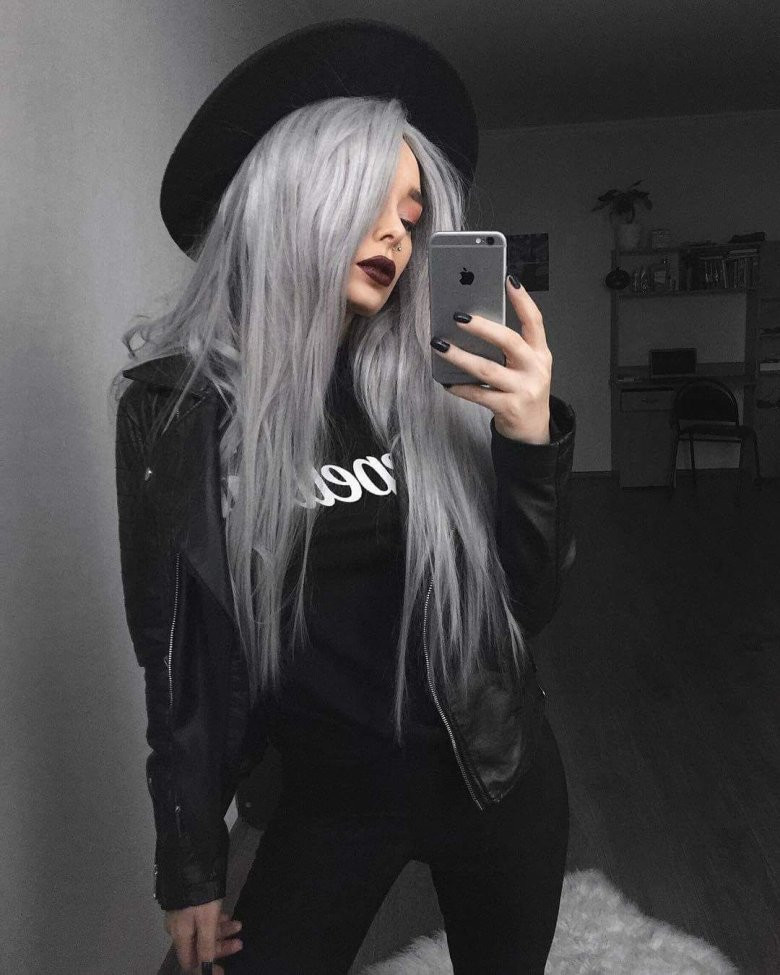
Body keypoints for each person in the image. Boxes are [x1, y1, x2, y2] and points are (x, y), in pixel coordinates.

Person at [112, 19, 576, 975]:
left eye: (413, 212)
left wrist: (530, 443)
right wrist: (189, 864)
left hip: (495, 777)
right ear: (296, 194)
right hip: (331, 798)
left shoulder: (435, 384)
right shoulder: (180, 414)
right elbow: (179, 660)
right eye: (374, 197)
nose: (400, 232)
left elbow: (526, 604)